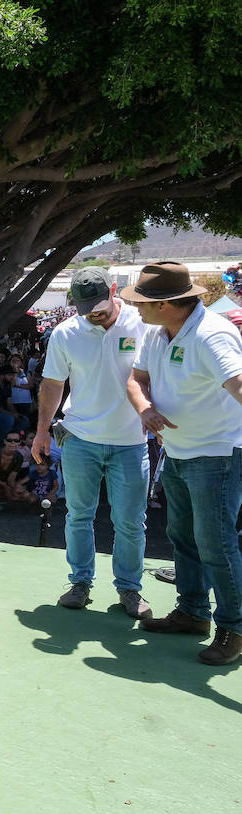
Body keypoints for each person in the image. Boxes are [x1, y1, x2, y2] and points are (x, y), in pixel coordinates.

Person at [126, 261, 242, 665]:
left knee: (216, 543)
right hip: (178, 451)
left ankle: (235, 628)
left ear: (169, 304)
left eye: (143, 302)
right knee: (184, 536)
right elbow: (136, 380)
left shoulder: (213, 336)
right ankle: (194, 613)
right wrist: (144, 409)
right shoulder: (157, 332)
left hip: (218, 453)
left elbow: (240, 385)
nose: (136, 308)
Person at [31, 266, 151, 619]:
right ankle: (80, 583)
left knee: (130, 521)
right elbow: (53, 384)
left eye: (99, 306)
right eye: (86, 309)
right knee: (78, 515)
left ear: (115, 289)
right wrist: (41, 431)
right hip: (80, 438)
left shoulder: (143, 323)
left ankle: (129, 589)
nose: (94, 315)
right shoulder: (65, 334)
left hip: (131, 441)